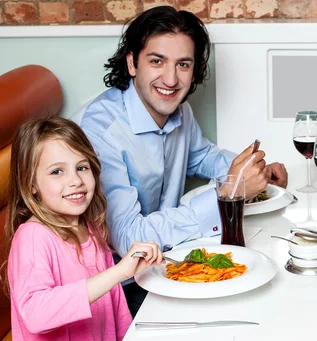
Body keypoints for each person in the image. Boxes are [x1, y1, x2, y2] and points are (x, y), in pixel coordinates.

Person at [75, 6, 287, 315]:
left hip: (166, 259)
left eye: (183, 64)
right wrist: (226, 194)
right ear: (132, 62)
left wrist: (256, 171)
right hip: (119, 288)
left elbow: (201, 156)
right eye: (157, 61)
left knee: (268, 287)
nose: (171, 79)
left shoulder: (178, 110)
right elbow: (128, 238)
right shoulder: (98, 132)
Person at [3, 117, 163, 341]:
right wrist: (118, 272)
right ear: (31, 186)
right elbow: (36, 314)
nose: (75, 180)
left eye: (81, 167)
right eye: (57, 172)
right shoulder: (31, 237)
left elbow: (117, 314)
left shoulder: (90, 231)